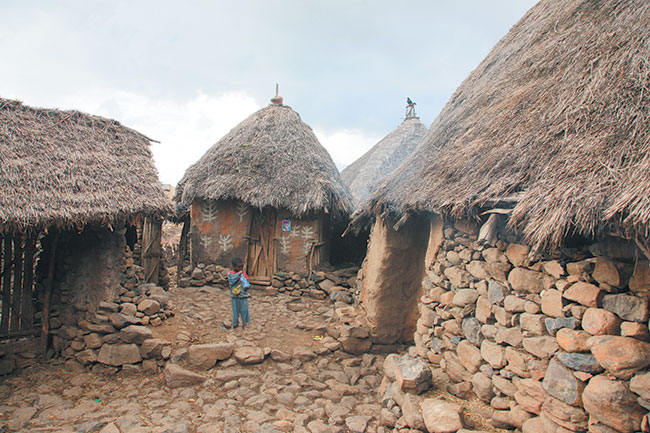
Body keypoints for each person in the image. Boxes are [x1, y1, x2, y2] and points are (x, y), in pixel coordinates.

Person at [228, 257, 251, 329]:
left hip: (243, 295)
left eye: (242, 266)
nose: (241, 268)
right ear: (234, 267)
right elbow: (231, 281)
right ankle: (235, 323)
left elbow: (246, 281)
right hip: (234, 296)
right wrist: (238, 275)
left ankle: (244, 323)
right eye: (239, 267)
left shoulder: (243, 274)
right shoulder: (230, 274)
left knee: (244, 310)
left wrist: (247, 286)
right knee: (235, 311)